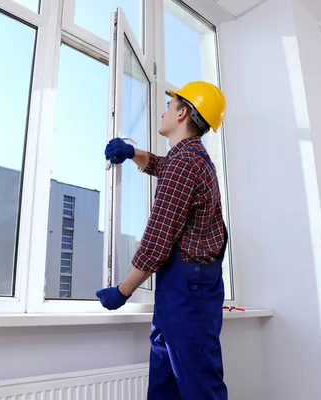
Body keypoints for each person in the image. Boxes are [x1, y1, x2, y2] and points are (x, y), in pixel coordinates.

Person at [96, 81, 228, 400]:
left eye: (170, 106)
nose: (164, 110)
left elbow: (158, 240)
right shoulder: (188, 158)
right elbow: (160, 165)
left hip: (187, 289)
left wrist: (122, 290)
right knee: (165, 383)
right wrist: (133, 153)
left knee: (199, 386)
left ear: (182, 113)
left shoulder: (186, 163)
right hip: (182, 287)